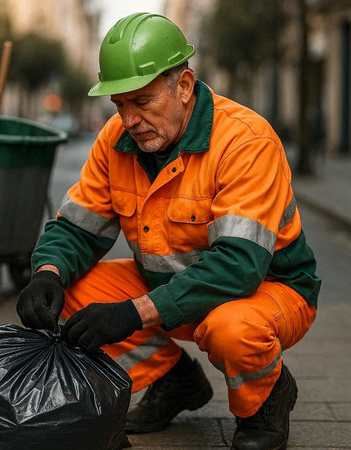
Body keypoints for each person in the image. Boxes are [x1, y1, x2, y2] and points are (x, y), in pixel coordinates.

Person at [17, 12, 321, 450]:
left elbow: (238, 267)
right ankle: (176, 380)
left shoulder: (246, 142)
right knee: (73, 292)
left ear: (183, 86)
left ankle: (265, 401)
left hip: (266, 291)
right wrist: (47, 272)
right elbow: (79, 228)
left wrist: (130, 314)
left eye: (142, 102)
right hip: (169, 288)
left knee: (231, 329)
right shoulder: (115, 141)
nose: (129, 120)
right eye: (120, 105)